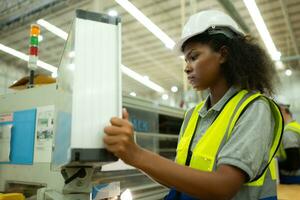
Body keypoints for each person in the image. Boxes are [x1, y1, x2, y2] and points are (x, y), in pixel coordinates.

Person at [103, 10, 283, 199]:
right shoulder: (193, 115)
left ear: (223, 54)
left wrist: (137, 155)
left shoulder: (254, 108)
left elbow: (224, 187)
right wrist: (133, 156)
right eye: (186, 59)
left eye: (194, 57)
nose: (187, 67)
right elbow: (179, 178)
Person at [277, 100, 300, 184]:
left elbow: (293, 163)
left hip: (293, 177)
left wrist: (275, 164)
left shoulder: (288, 132)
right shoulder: (296, 126)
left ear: (282, 111)